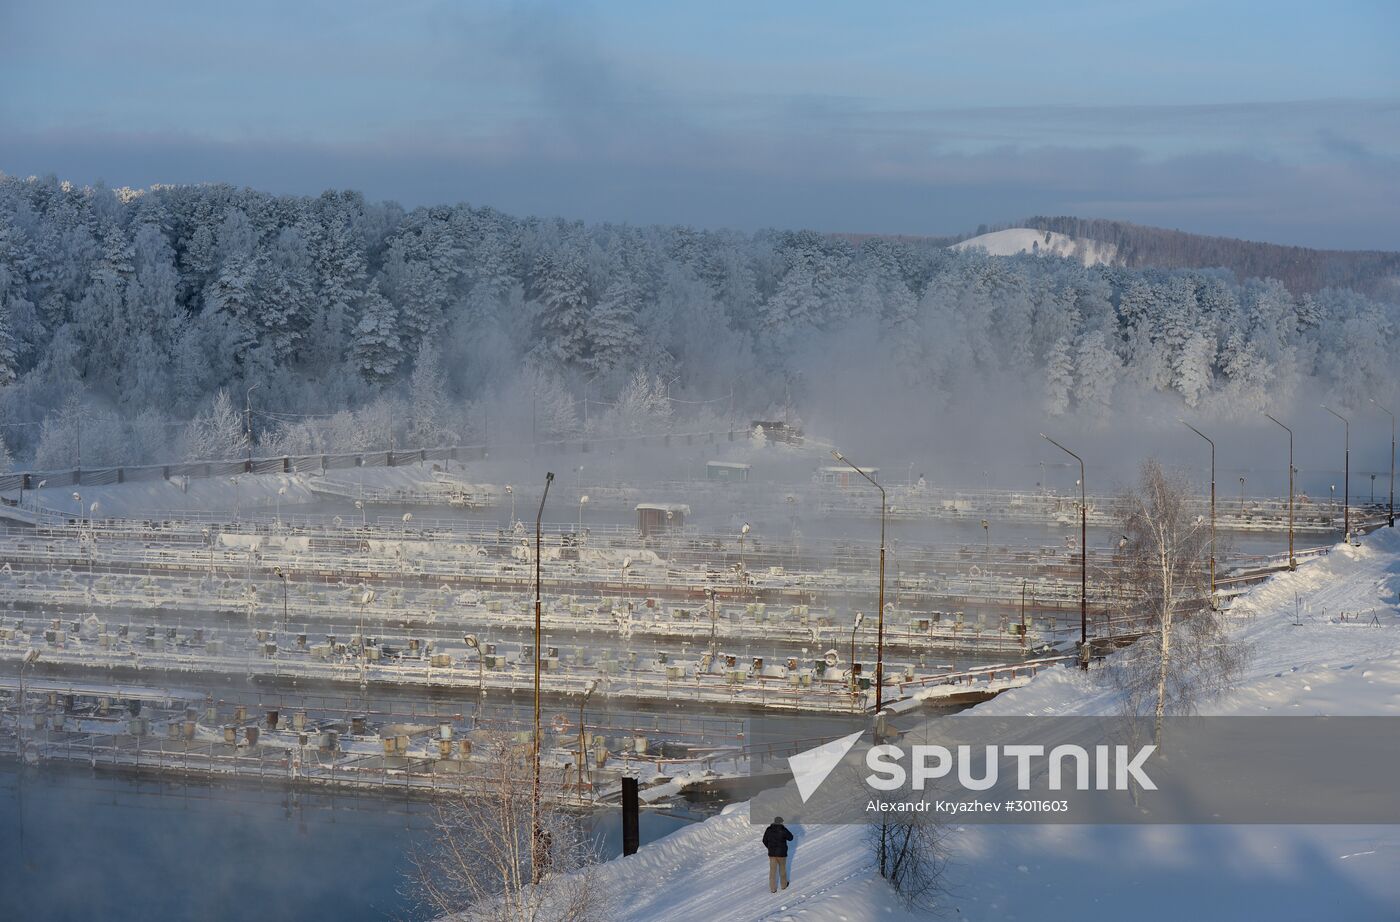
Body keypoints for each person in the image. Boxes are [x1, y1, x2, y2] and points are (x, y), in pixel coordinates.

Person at [763, 816, 794, 892]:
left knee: (772, 871)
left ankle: (773, 889)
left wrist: (769, 847)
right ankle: (783, 885)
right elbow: (791, 838)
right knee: (782, 870)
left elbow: (764, 840)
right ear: (781, 822)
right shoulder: (783, 829)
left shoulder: (769, 829)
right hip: (782, 854)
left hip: (772, 854)